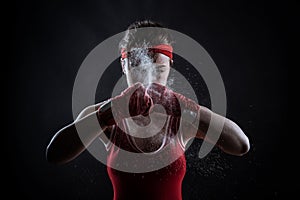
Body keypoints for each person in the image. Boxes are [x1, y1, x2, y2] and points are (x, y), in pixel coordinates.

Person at [46, 20, 250, 200]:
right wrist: (112, 111)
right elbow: (54, 155)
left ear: (170, 66)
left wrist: (186, 108)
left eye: (159, 70)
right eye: (137, 68)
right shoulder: (105, 114)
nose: (148, 78)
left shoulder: (180, 116)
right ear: (123, 66)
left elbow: (241, 145)